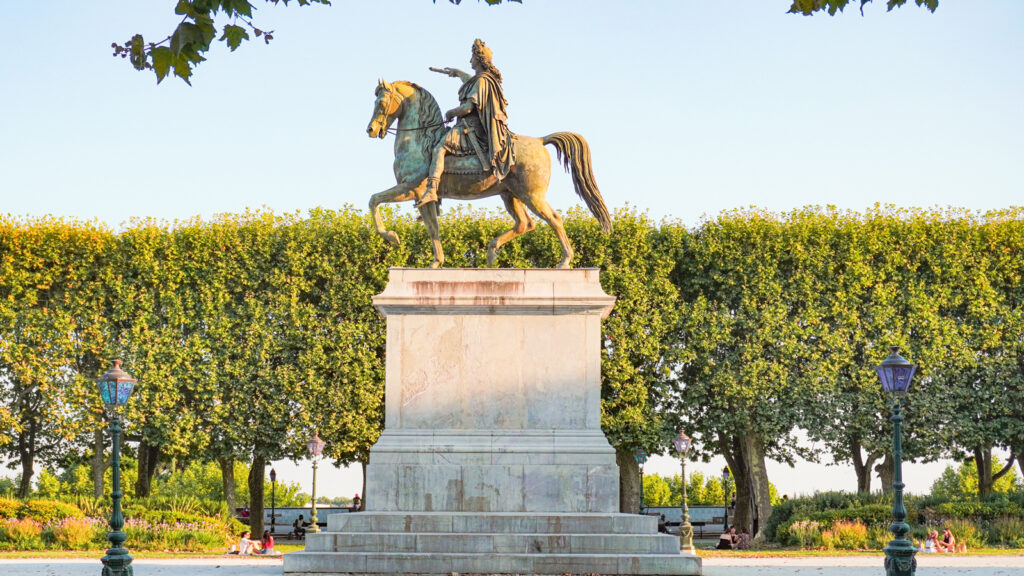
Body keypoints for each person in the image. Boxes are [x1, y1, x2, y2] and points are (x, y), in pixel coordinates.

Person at [418, 38, 515, 208]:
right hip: (467, 126)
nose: (470, 60)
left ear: (479, 59)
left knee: (438, 148)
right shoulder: (481, 79)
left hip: (470, 129)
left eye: (472, 57)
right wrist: (458, 73)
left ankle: (432, 189)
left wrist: (451, 112)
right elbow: (470, 81)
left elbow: (468, 108)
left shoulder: (482, 81)